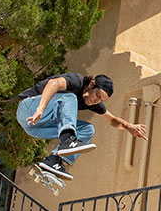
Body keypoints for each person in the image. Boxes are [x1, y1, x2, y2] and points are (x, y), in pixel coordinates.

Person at [16, 72, 146, 181]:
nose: (96, 101)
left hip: (37, 128)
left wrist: (128, 127)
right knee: (70, 97)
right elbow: (53, 83)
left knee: (88, 129)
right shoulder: (77, 81)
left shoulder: (93, 103)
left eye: (101, 100)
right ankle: (68, 140)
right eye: (97, 96)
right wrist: (40, 108)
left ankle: (54, 160)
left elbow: (111, 120)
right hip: (28, 109)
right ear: (91, 84)